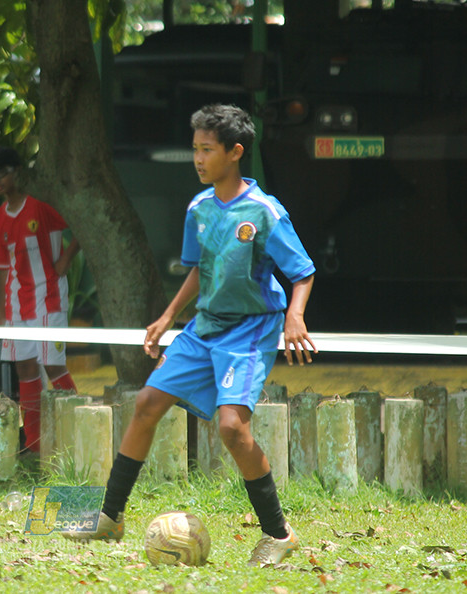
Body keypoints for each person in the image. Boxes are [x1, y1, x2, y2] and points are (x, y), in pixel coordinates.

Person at [63, 104, 317, 567]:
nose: (198, 159)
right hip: (203, 328)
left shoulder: (264, 211)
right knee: (146, 404)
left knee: (231, 428)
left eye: (207, 150)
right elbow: (202, 268)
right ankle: (110, 517)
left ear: (235, 152)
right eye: (195, 149)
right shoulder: (199, 208)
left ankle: (278, 534)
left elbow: (302, 272)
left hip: (249, 331)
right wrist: (167, 317)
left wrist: (295, 317)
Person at [0, 146, 81, 454]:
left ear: (18, 172)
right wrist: (3, 313)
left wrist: (65, 260)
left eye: (2, 173)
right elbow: (2, 268)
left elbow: (81, 223)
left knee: (54, 366)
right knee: (25, 371)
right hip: (16, 304)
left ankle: (75, 437)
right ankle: (35, 444)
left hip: (49, 298)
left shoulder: (41, 205)